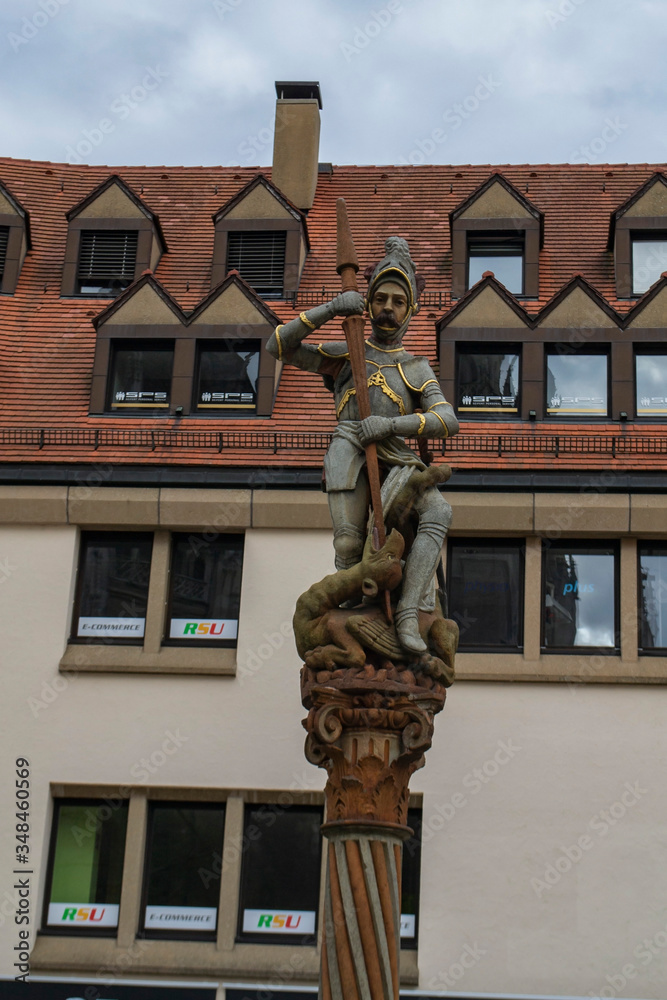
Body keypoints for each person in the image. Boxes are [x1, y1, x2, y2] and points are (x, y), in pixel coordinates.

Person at [266, 237, 459, 654]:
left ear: (411, 310)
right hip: (349, 450)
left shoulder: (415, 366)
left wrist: (391, 423)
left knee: (438, 510)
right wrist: (333, 308)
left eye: (398, 301)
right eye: (381, 299)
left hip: (396, 458)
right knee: (349, 546)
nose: (389, 307)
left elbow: (448, 420)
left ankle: (408, 612)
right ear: (368, 304)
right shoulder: (347, 353)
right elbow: (278, 345)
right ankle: (354, 613)